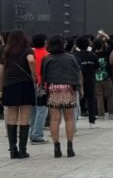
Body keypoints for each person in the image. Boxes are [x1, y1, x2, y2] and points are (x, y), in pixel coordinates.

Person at [42, 35, 82, 158]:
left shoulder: (47, 58)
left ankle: (56, 147)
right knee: (69, 118)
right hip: (68, 88)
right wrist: (80, 88)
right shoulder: (71, 57)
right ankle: (70, 147)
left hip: (53, 89)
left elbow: (44, 75)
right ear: (62, 44)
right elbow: (77, 72)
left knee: (54, 119)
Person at [0, 30, 36, 159]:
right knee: (24, 117)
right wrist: (34, 76)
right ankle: (22, 150)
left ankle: (12, 149)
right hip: (25, 84)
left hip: (9, 85)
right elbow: (31, 61)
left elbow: (1, 70)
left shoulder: (5, 51)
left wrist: (1, 88)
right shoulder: (27, 50)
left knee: (11, 117)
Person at [29, 32, 49, 144]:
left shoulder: (30, 53)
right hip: (41, 85)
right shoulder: (46, 55)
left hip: (30, 83)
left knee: (32, 110)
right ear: (45, 42)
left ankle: (31, 133)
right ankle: (37, 135)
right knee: (42, 109)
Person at [74, 36, 98, 126]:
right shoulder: (93, 55)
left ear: (77, 45)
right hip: (91, 80)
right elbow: (97, 68)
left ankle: (77, 118)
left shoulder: (75, 55)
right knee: (91, 98)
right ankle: (92, 120)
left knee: (78, 99)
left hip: (78, 80)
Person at [94, 41, 113, 118]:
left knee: (99, 96)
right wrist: (105, 36)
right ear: (102, 46)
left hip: (96, 77)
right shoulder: (106, 53)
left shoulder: (93, 55)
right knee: (110, 95)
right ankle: (111, 114)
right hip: (106, 77)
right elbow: (112, 44)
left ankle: (101, 114)